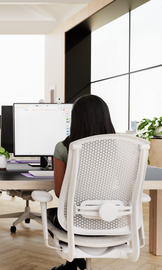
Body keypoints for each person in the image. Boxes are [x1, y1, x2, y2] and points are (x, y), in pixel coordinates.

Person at [50, 94, 115, 270]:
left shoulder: (63, 148)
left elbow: (58, 192)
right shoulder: (118, 147)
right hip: (112, 219)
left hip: (75, 223)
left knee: (50, 214)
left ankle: (73, 262)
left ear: (75, 119)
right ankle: (76, 262)